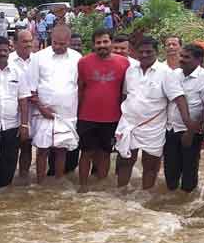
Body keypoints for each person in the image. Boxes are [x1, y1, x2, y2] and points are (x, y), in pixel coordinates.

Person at [115, 37, 194, 190]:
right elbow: (125, 95)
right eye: (141, 52)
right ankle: (121, 195)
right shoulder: (130, 70)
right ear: (134, 52)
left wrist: (188, 123)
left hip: (153, 127)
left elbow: (179, 98)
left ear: (157, 52)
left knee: (150, 165)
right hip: (128, 124)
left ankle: (145, 198)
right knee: (124, 162)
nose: (144, 55)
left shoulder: (166, 73)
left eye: (149, 52)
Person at [77, 28, 130, 191]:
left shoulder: (124, 63)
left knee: (105, 152)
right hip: (87, 116)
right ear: (93, 45)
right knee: (86, 152)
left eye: (105, 41)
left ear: (111, 43)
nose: (102, 45)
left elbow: (125, 92)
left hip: (112, 117)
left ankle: (101, 185)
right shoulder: (83, 62)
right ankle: (83, 186)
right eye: (98, 42)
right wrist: (77, 114)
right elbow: (80, 89)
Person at [28, 25, 82, 184]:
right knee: (42, 149)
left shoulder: (77, 58)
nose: (58, 47)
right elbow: (31, 88)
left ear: (69, 42)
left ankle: (57, 184)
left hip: (67, 114)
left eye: (62, 44)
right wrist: (41, 108)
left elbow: (79, 85)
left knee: (61, 149)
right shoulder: (38, 57)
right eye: (55, 43)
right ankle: (40, 183)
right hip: (43, 112)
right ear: (51, 40)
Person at [0, 36, 31, 188]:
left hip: (12, 125)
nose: (2, 53)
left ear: (9, 51)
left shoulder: (18, 72)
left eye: (5, 50)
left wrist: (24, 124)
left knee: (9, 162)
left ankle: (3, 192)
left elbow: (23, 100)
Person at [164, 43, 204, 192]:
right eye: (182, 56)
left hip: (193, 132)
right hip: (171, 128)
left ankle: (186, 199)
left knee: (190, 168)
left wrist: (191, 132)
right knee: (170, 167)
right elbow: (178, 98)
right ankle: (170, 197)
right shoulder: (174, 74)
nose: (182, 60)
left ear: (199, 60)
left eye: (187, 57)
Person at [8, 30, 35, 180]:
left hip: (32, 111)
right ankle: (7, 178)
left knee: (27, 146)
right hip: (11, 112)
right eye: (25, 41)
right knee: (9, 148)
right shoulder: (8, 60)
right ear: (15, 43)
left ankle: (23, 177)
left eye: (30, 41)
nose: (29, 44)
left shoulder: (38, 60)